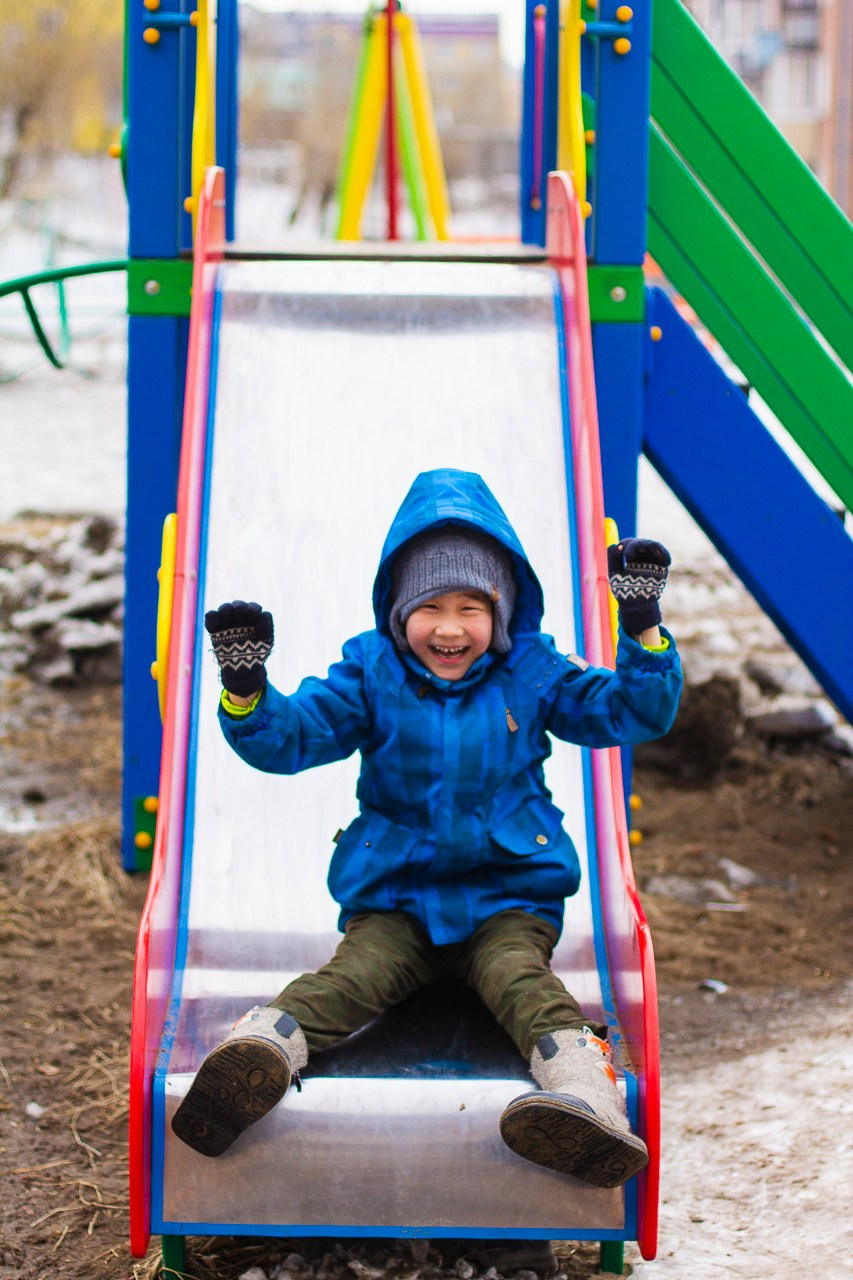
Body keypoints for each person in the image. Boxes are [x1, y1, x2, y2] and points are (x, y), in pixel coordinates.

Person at [172, 467, 682, 1188]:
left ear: (501, 613)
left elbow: (632, 713)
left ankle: (584, 1102)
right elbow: (289, 740)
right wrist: (249, 692)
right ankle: (255, 1055)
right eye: (429, 606)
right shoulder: (369, 674)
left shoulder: (531, 672)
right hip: (397, 900)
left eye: (471, 607)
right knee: (351, 978)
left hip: (505, 897)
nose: (449, 627)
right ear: (397, 611)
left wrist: (642, 631)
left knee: (520, 982)